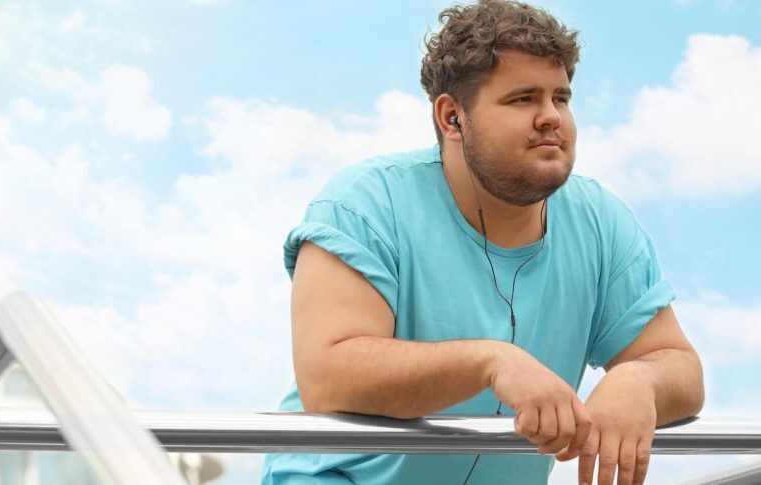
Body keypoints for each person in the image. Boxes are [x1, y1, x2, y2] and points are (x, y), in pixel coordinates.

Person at [261, 1, 705, 484]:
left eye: (561, 97)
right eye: (523, 99)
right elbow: (327, 377)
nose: (551, 117)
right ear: (453, 118)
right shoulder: (363, 203)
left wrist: (639, 380)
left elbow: (680, 367)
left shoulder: (603, 221)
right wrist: (492, 362)